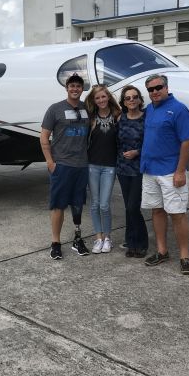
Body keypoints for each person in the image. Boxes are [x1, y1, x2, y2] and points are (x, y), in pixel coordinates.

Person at [140, 74, 189, 275]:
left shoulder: (179, 110)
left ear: (166, 87)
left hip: (171, 171)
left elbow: (187, 141)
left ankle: (185, 256)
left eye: (158, 87)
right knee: (156, 211)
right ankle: (162, 251)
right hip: (149, 170)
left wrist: (180, 171)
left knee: (178, 214)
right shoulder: (150, 110)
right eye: (151, 89)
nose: (154, 92)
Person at [40, 74, 91, 259]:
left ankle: (78, 239)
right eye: (72, 86)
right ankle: (55, 242)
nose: (75, 89)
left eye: (78, 86)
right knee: (58, 205)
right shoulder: (55, 109)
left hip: (82, 165)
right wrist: (50, 162)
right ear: (66, 88)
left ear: (82, 89)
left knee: (78, 204)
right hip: (61, 165)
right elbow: (44, 136)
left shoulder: (87, 108)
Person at [84, 84, 121, 254]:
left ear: (108, 97)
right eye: (97, 98)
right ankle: (98, 238)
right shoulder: (90, 119)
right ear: (94, 100)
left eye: (103, 97)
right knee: (95, 204)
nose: (101, 100)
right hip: (93, 165)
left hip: (109, 166)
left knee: (105, 205)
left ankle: (107, 238)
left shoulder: (117, 116)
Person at [116, 85, 148, 258]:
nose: (131, 100)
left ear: (140, 99)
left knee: (133, 207)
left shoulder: (146, 118)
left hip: (138, 169)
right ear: (124, 102)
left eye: (134, 97)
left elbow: (151, 142)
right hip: (122, 169)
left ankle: (141, 242)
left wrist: (138, 152)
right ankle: (131, 242)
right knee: (129, 207)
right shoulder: (120, 118)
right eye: (127, 98)